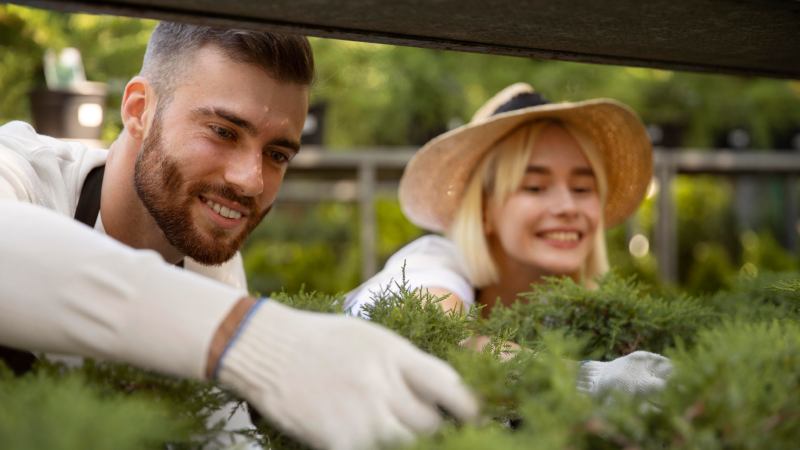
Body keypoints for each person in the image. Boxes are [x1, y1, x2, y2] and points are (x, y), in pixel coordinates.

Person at [0, 22, 477, 450]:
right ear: (139, 109)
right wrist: (257, 339)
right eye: (224, 132)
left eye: (277, 155)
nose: (251, 180)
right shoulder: (22, 171)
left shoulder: (208, 257)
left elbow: (222, 434)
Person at [345, 83, 672, 397]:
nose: (567, 207)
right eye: (534, 186)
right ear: (484, 208)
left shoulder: (569, 314)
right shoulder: (430, 262)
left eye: (583, 189)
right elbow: (440, 336)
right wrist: (588, 379)